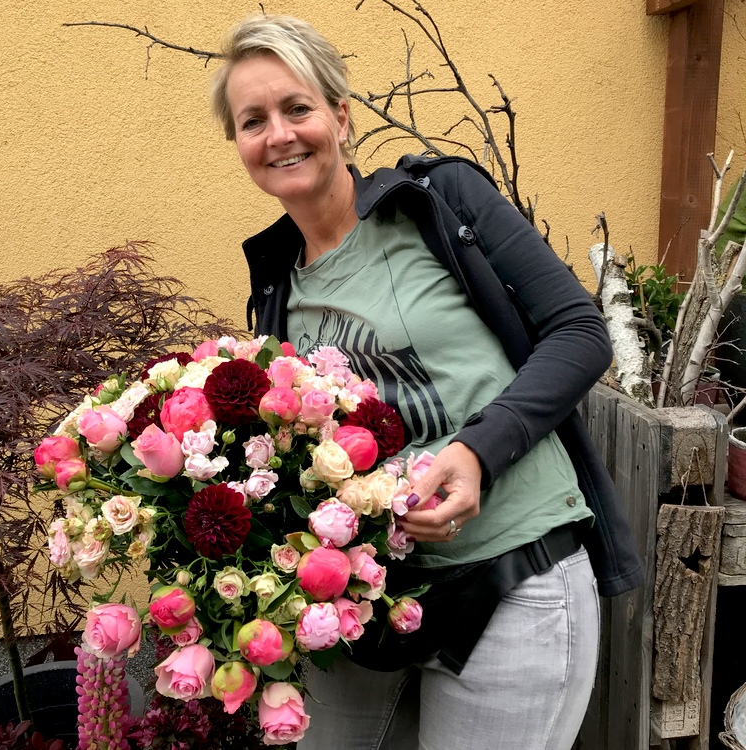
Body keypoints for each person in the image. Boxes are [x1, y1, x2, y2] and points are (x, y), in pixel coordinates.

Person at [210, 14, 643, 750]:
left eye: (297, 108)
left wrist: (476, 451)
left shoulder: (438, 203)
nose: (278, 134)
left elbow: (579, 333)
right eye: (253, 120)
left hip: (514, 576)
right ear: (240, 146)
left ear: (341, 117)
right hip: (375, 599)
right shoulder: (278, 283)